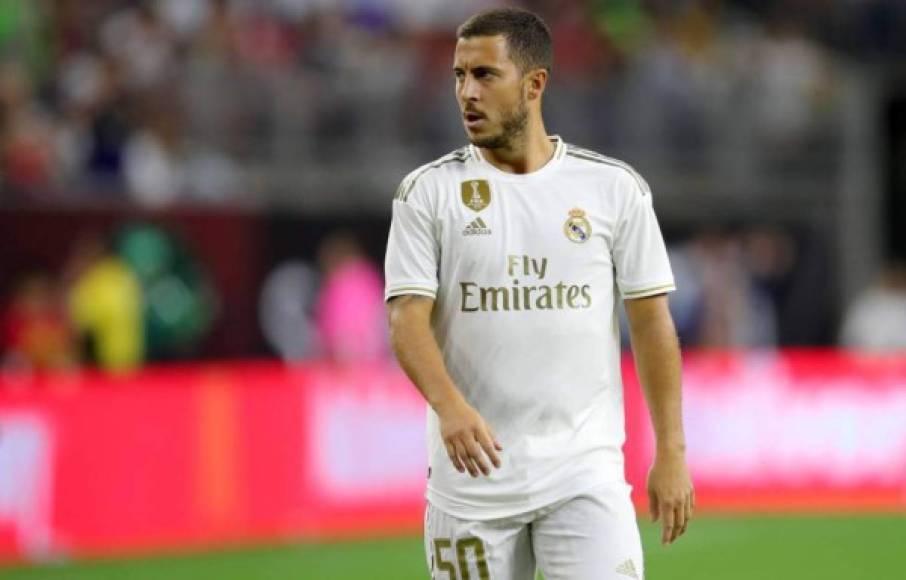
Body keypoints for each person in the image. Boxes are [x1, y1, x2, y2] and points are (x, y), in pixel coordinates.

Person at [384, 8, 693, 580]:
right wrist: (450, 409)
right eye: (458, 75)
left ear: (534, 84)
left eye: (484, 75)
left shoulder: (612, 189)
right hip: (472, 486)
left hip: (584, 476)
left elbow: (651, 323)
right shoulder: (426, 194)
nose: (466, 93)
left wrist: (671, 450)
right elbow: (406, 321)